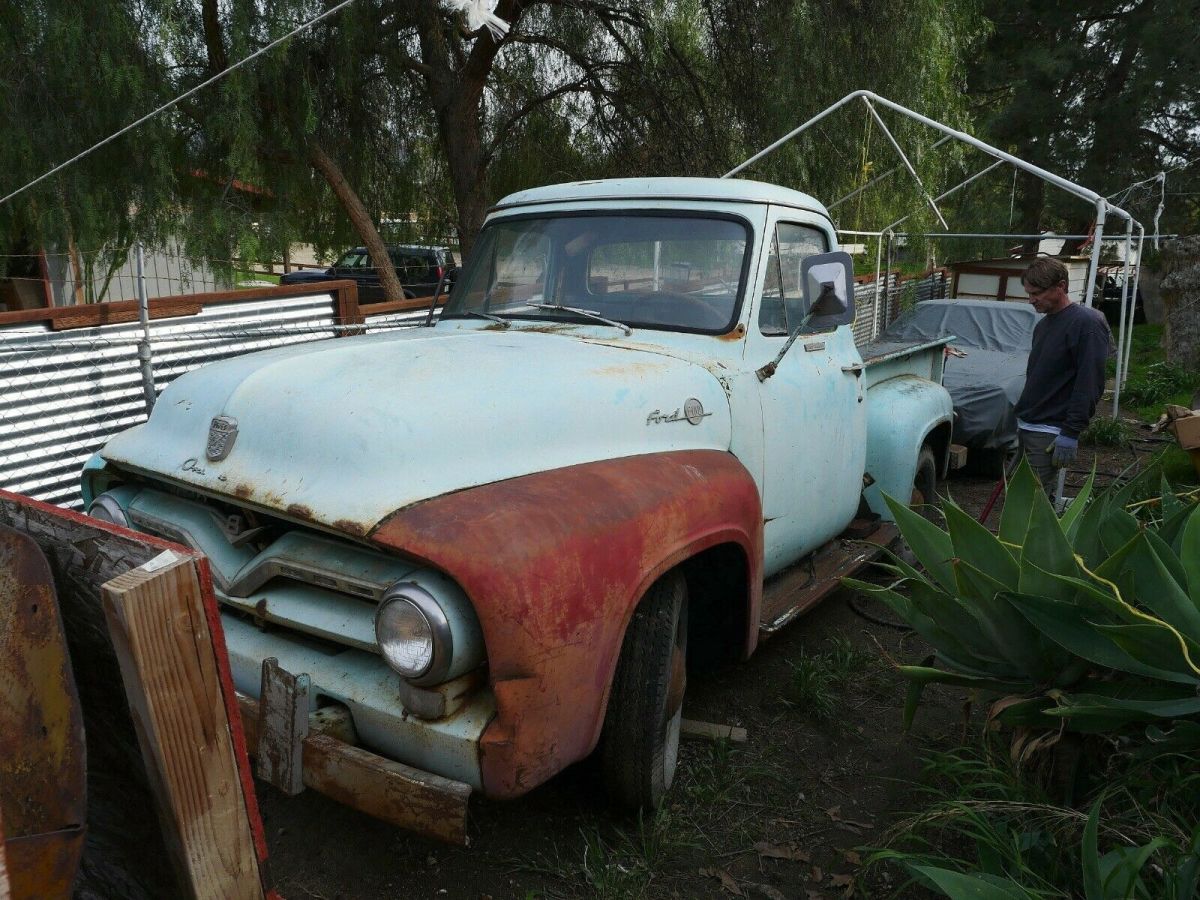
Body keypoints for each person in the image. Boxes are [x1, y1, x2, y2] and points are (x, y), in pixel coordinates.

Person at [1014, 258, 1113, 495]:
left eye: (1036, 293)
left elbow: (1089, 383)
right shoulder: (1044, 325)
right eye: (1028, 293)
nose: (1031, 300)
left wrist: (1071, 432)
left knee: (1029, 504)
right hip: (1029, 425)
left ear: (1061, 286)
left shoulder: (1086, 323)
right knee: (1019, 499)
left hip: (1050, 430)